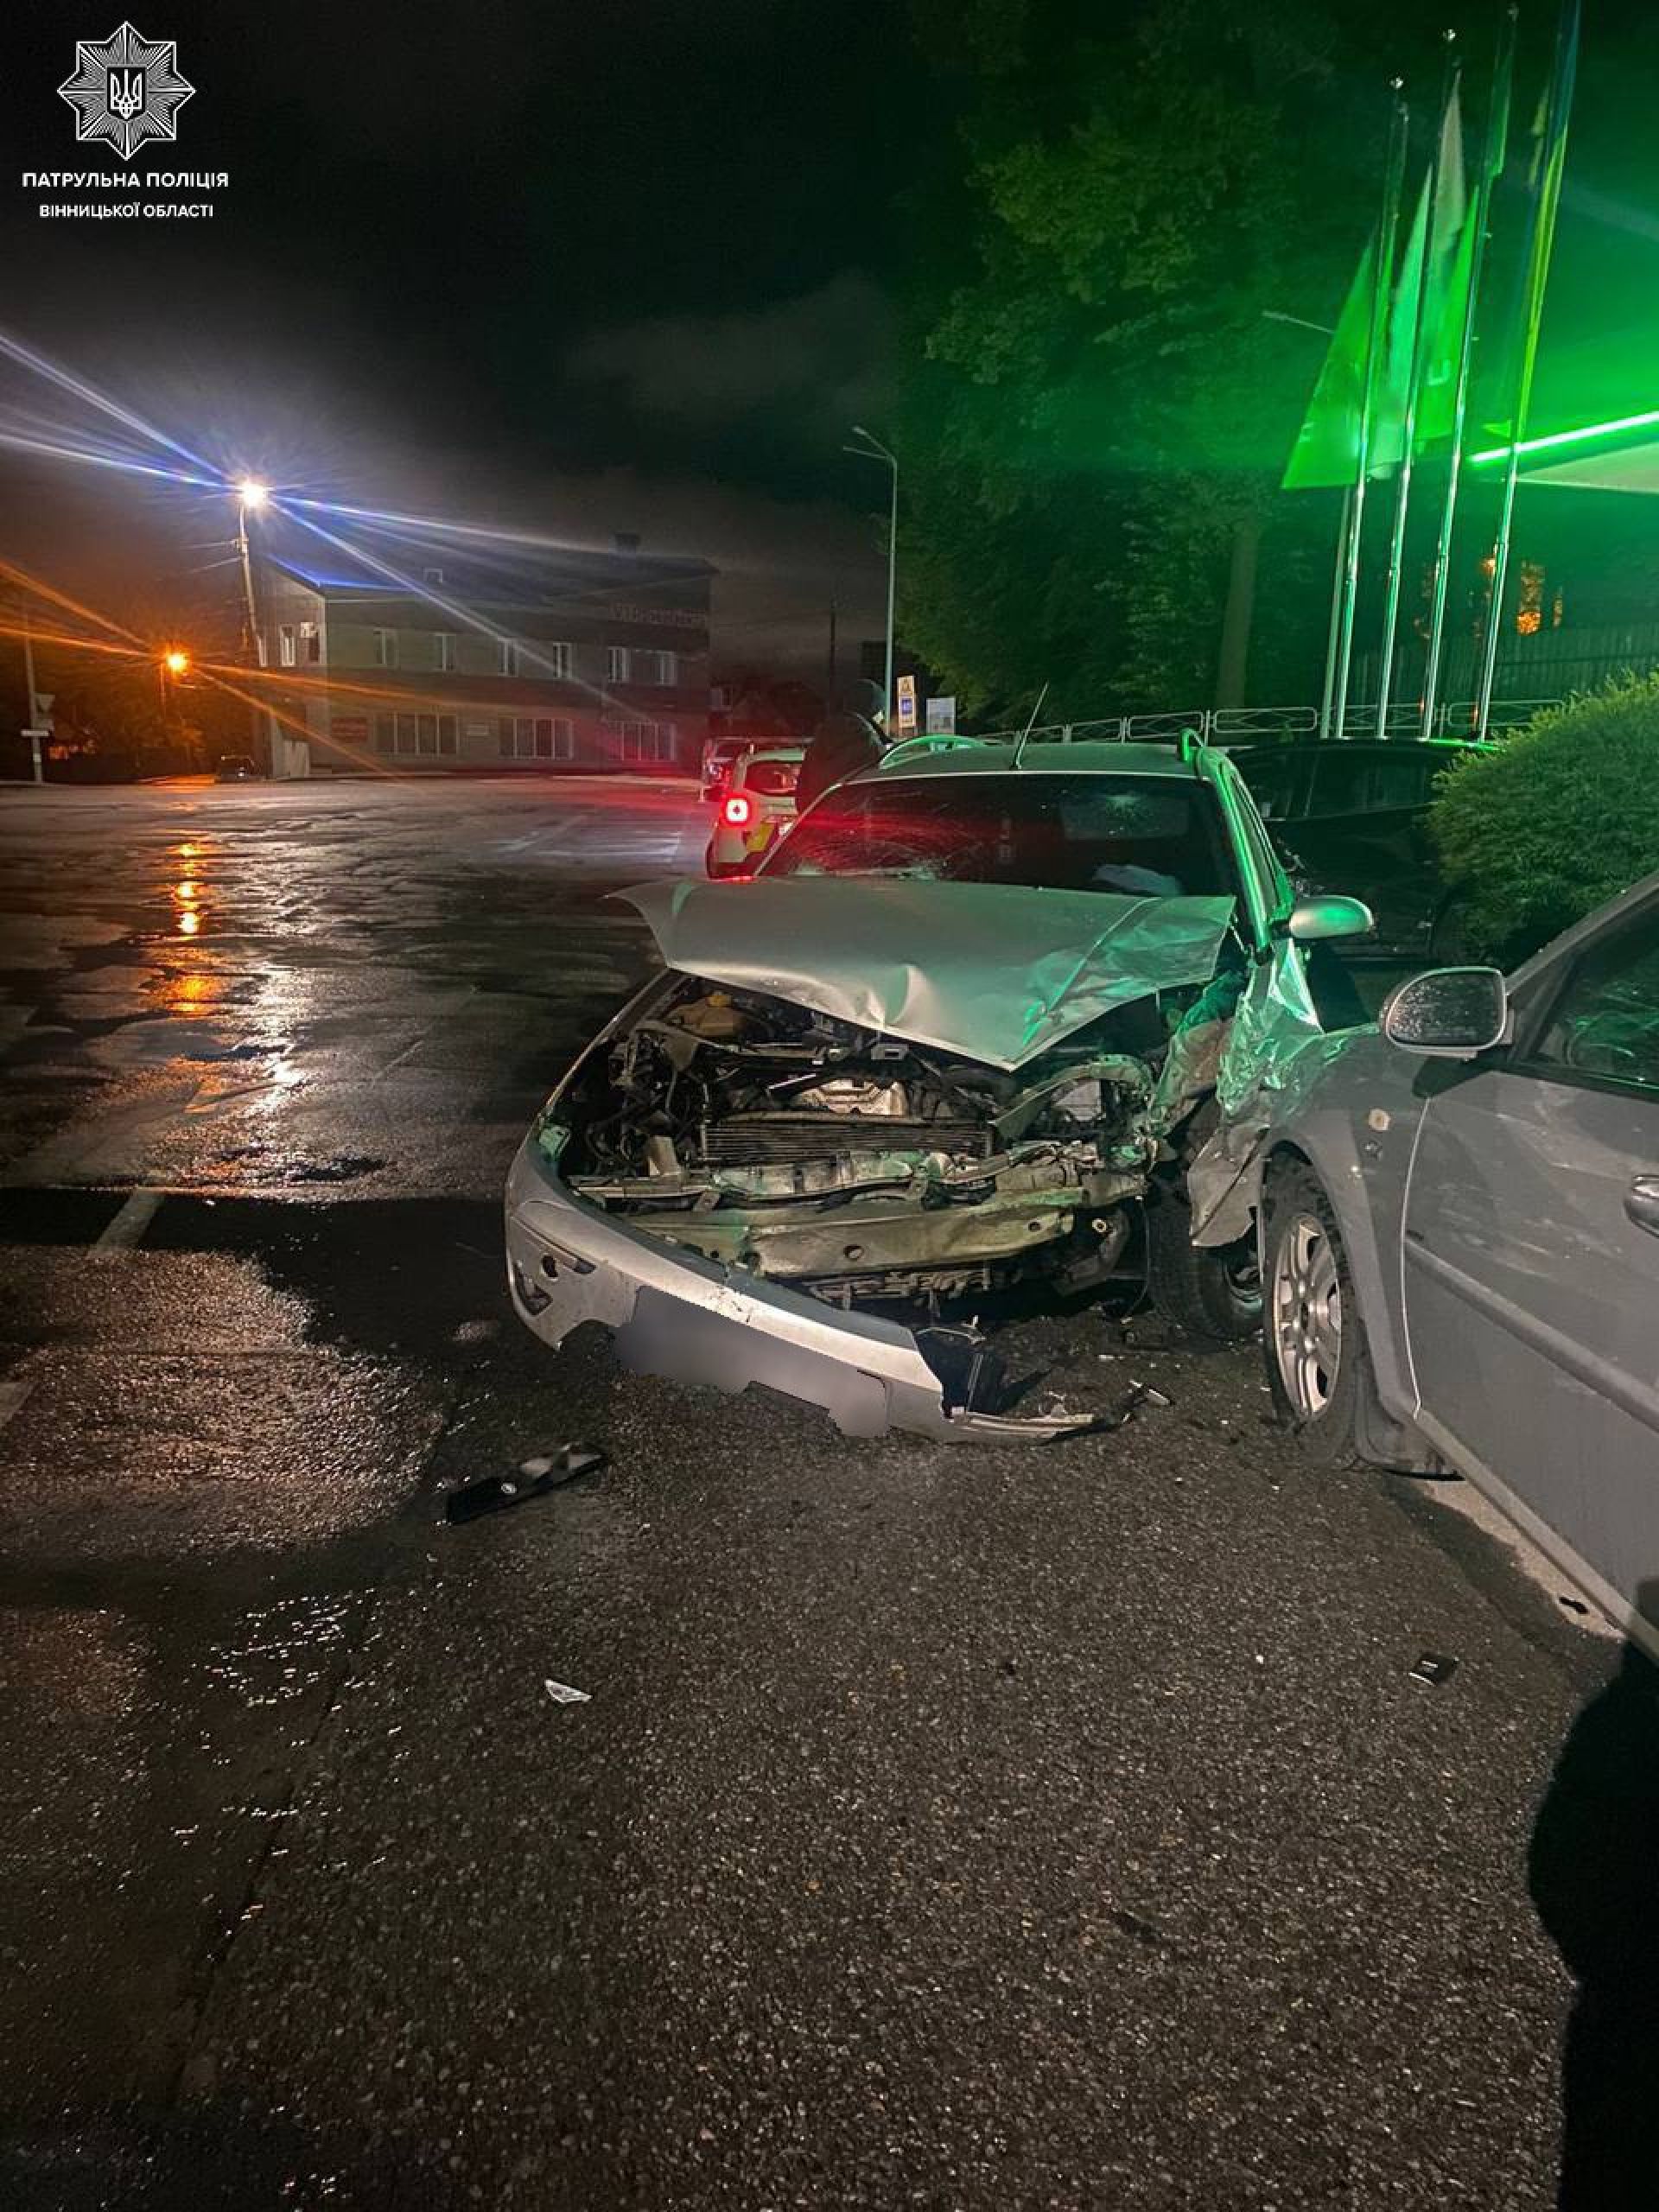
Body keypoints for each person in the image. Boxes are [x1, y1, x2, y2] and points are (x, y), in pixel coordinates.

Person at [795, 677, 888, 813]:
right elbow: (878, 792)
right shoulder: (869, 743)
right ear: (872, 708)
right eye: (880, 710)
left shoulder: (822, 737)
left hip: (815, 818)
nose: (882, 717)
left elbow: (803, 789)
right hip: (852, 821)